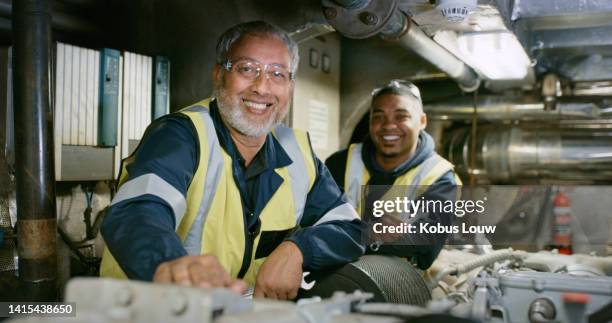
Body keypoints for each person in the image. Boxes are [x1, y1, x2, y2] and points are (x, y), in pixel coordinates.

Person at [100, 21, 364, 300]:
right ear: (218, 75)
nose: (262, 87)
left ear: (290, 86)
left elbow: (351, 228)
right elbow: (139, 209)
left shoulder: (297, 152)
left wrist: (298, 249)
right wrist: (169, 264)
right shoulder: (181, 136)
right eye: (247, 69)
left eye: (277, 73)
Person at [325, 80, 461, 269]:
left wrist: (348, 234)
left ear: (422, 121)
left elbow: (425, 244)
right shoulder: (340, 163)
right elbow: (317, 223)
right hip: (334, 276)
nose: (389, 126)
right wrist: (371, 233)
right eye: (378, 117)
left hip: (400, 288)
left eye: (401, 117)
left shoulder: (440, 177)